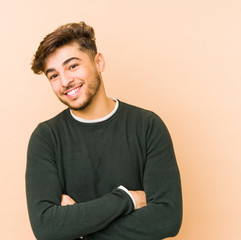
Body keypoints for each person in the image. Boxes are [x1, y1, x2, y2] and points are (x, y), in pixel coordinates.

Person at [26, 22, 182, 240]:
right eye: (53, 75)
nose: (65, 82)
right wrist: (126, 199)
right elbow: (46, 228)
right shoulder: (46, 138)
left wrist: (77, 226)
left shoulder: (147, 125)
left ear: (98, 62)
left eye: (72, 66)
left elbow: (167, 219)